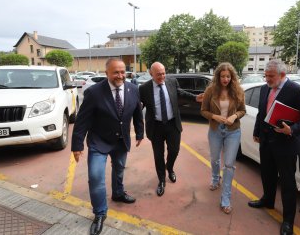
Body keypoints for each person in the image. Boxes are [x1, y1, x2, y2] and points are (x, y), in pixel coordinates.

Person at [71, 58, 144, 235]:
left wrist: (140, 133)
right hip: (99, 141)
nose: (120, 76)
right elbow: (82, 121)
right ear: (107, 73)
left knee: (119, 169)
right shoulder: (94, 92)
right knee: (96, 177)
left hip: (121, 141)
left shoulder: (133, 89)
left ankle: (118, 193)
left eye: (122, 72)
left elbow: (137, 112)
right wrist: (77, 144)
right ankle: (100, 214)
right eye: (116, 72)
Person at [248, 59, 300, 235]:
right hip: (266, 141)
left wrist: (292, 130)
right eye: (265, 75)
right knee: (267, 174)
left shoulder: (296, 91)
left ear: (282, 75)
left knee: (287, 183)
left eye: (270, 76)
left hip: (286, 144)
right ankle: (268, 200)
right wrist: (257, 131)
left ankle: (288, 220)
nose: (266, 79)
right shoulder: (266, 88)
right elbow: (261, 111)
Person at [139, 62, 203, 196]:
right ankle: (161, 180)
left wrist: (195, 97)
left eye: (163, 73)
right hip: (155, 126)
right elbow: (140, 106)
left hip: (172, 124)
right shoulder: (144, 88)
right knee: (158, 155)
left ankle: (170, 168)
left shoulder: (172, 82)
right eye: (158, 75)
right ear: (151, 74)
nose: (162, 76)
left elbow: (180, 93)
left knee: (174, 150)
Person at [200, 62, 246, 214]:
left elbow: (242, 111)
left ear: (232, 77)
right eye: (222, 76)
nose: (225, 79)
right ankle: (215, 178)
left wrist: (234, 116)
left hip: (233, 131)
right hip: (215, 130)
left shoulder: (238, 90)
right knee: (214, 159)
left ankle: (225, 198)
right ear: (218, 76)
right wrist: (214, 116)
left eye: (228, 76)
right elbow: (203, 110)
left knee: (229, 164)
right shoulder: (210, 90)